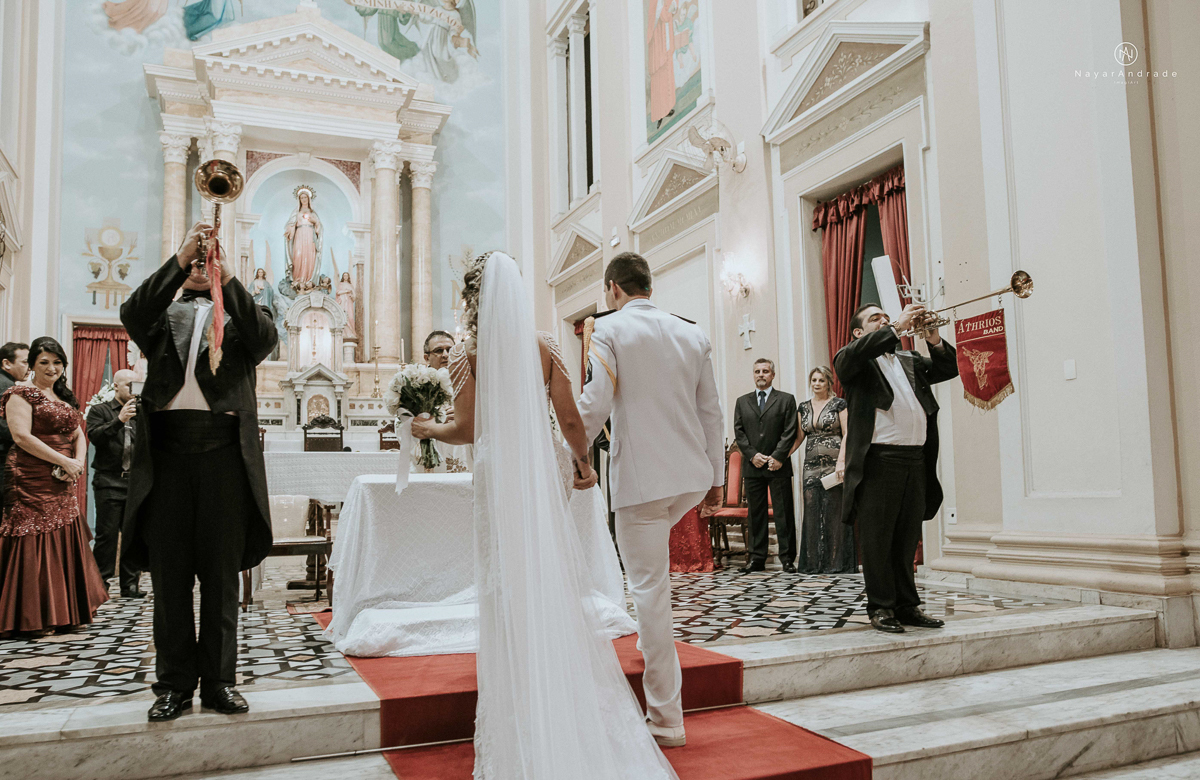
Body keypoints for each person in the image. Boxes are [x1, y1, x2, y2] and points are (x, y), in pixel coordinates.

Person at [411, 251, 675, 779]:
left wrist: (427, 430)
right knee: (546, 571)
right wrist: (582, 466)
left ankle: (518, 692)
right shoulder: (544, 346)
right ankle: (558, 683)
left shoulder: (468, 356)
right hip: (543, 466)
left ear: (473, 301)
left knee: (503, 581)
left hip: (498, 472)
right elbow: (571, 418)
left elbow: (468, 428)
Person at [120, 221, 278, 721]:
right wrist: (180, 255)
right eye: (195, 260)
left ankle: (220, 682)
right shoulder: (160, 315)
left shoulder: (241, 313)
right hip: (167, 454)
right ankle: (172, 685)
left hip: (223, 458)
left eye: (204, 259)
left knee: (220, 577)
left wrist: (227, 279)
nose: (199, 265)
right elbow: (132, 311)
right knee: (169, 579)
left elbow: (266, 337)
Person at [578, 251, 725, 749]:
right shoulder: (692, 332)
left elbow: (594, 406)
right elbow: (712, 412)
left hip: (641, 483)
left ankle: (666, 718)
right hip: (688, 476)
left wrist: (569, 455)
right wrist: (716, 478)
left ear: (614, 287)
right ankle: (647, 638)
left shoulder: (609, 330)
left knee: (650, 589)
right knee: (652, 585)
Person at [834, 302, 958, 634]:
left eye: (887, 317)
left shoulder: (909, 360)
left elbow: (949, 368)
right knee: (877, 539)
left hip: (914, 461)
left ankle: (906, 605)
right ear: (859, 333)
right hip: (879, 462)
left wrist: (933, 339)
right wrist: (898, 327)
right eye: (876, 319)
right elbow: (849, 359)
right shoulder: (853, 361)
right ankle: (881, 606)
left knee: (906, 538)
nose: (886, 321)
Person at [0, 337, 108, 637]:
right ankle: (30, 615)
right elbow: (21, 437)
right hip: (29, 474)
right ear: (32, 364)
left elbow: (79, 435)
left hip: (63, 474)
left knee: (61, 533)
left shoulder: (62, 396)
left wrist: (77, 463)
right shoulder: (19, 393)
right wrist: (62, 460)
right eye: (44, 362)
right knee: (32, 535)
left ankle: (64, 612)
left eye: (57, 362)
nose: (52, 368)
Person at [733, 358, 799, 574]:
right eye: (757, 371)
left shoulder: (786, 400)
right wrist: (752, 455)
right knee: (756, 514)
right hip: (753, 466)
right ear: (753, 375)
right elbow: (739, 432)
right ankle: (756, 559)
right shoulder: (742, 402)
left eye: (765, 371)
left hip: (778, 465)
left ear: (773, 375)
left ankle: (787, 559)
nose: (761, 374)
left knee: (783, 513)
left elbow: (790, 430)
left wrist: (778, 456)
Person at [85, 369, 144, 599]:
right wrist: (120, 420)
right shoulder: (100, 410)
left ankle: (130, 585)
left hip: (135, 483)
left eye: (136, 386)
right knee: (107, 535)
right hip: (109, 481)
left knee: (133, 534)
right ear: (117, 387)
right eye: (129, 385)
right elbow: (96, 437)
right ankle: (101, 584)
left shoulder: (142, 413)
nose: (132, 390)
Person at [792, 366, 853, 574]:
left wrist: (841, 462)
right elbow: (799, 437)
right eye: (814, 380)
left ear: (829, 383)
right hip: (810, 466)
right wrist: (780, 456)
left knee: (833, 511)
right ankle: (812, 563)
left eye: (821, 380)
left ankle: (835, 563)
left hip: (834, 464)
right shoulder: (803, 407)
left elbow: (847, 434)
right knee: (811, 510)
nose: (816, 384)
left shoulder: (839, 404)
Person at [0, 342, 30, 503]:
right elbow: (5, 427)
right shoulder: (6, 386)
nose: (29, 367)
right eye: (25, 362)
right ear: (6, 363)